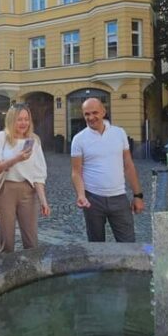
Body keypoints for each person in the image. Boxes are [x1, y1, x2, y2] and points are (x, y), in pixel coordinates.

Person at [70, 98, 145, 242]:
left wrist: (138, 196)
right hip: (92, 199)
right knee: (96, 245)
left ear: (104, 112)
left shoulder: (119, 133)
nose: (91, 117)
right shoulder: (79, 139)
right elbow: (76, 172)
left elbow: (129, 165)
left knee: (128, 244)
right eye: (87, 114)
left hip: (119, 197)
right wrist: (81, 195)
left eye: (95, 113)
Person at [0, 103, 50, 252]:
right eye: (19, 119)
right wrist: (16, 159)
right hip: (5, 191)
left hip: (28, 191)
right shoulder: (0, 138)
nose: (23, 123)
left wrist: (43, 200)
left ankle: (32, 266)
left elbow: (38, 173)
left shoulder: (34, 140)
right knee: (6, 239)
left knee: (31, 239)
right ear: (11, 120)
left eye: (26, 119)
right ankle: (7, 266)